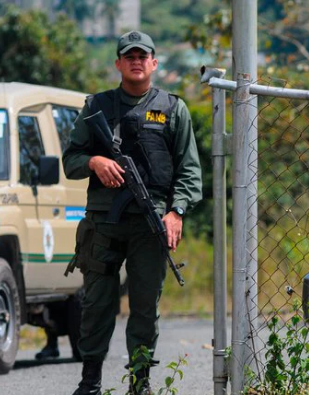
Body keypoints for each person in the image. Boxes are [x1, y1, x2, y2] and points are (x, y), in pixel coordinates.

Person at [62, 31, 202, 395]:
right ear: (118, 64)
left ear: (154, 63)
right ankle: (90, 382)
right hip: (103, 224)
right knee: (96, 304)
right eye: (129, 56)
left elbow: (189, 170)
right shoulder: (96, 106)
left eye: (143, 56)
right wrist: (94, 161)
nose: (136, 61)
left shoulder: (173, 108)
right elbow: (70, 161)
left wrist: (177, 212)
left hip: (149, 224)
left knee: (143, 308)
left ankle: (140, 384)